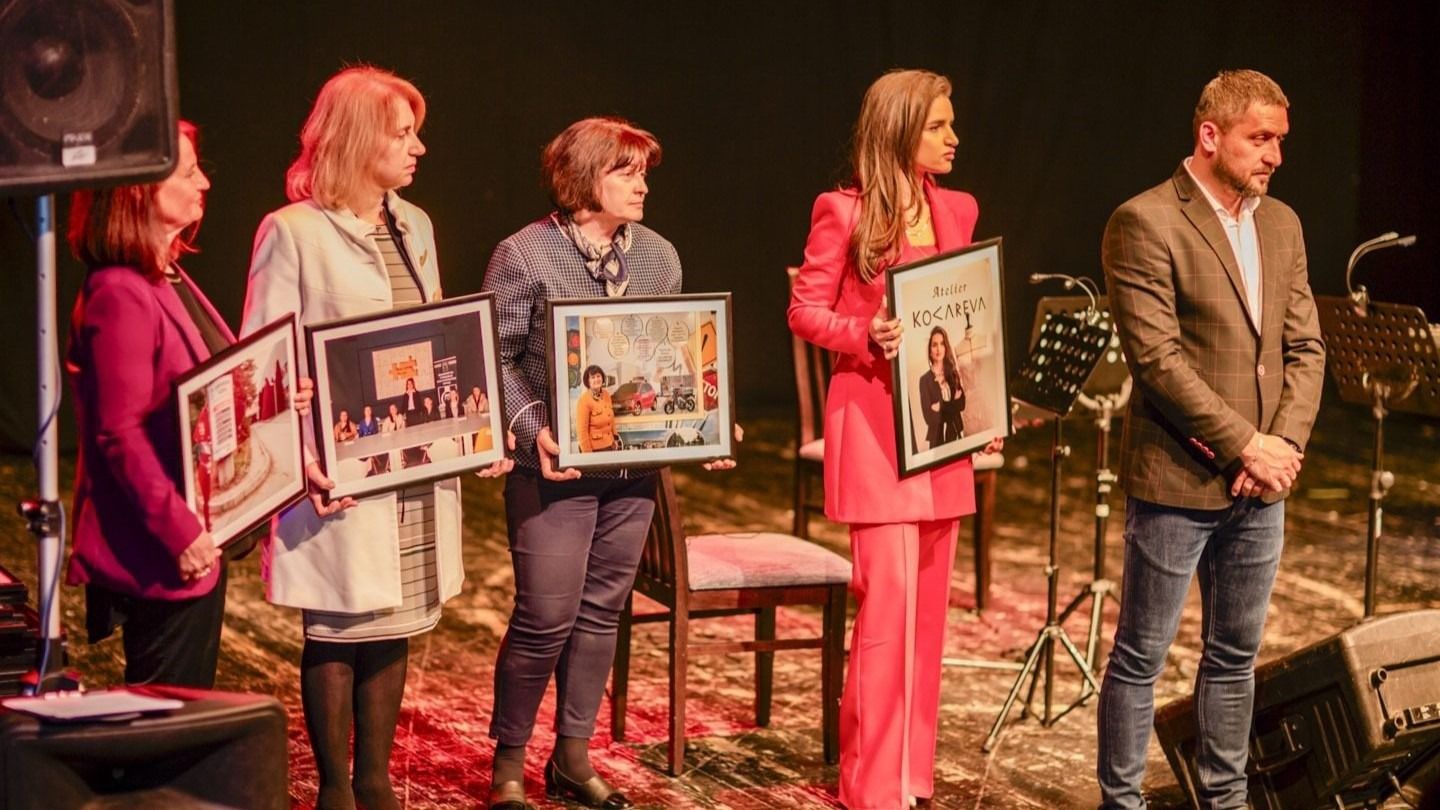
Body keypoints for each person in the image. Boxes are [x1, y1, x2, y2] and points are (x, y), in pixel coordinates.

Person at [240, 66, 511, 810]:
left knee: (396, 618)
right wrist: (299, 459)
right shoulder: (292, 232)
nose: (418, 148)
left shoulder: (413, 224)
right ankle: (335, 789)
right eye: (402, 134)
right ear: (360, 139)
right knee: (339, 623)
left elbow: (437, 339)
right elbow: (262, 363)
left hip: (411, 463)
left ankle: (376, 782)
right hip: (338, 469)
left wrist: (475, 427)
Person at [482, 116, 733, 810]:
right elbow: (496, 358)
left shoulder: (658, 256)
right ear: (584, 177)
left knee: (600, 615)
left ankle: (572, 756)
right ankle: (508, 763)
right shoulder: (524, 255)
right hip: (554, 472)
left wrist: (706, 424)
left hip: (631, 476)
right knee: (544, 617)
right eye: (627, 171)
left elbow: (674, 358)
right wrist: (533, 429)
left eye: (644, 171)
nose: (642, 184)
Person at [1097, 69, 1324, 808]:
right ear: (1209, 135)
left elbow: (1306, 348)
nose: (1275, 155)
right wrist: (1244, 446)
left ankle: (1226, 801)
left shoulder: (1282, 224)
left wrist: (1282, 447)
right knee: (1142, 656)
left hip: (1264, 486)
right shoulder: (1145, 220)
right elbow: (1158, 361)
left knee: (1235, 657)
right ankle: (1121, 802)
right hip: (1178, 478)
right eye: (1260, 139)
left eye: (1280, 141)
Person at [787, 69, 1002, 810]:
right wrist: (864, 333)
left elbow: (966, 318)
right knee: (887, 612)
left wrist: (982, 407)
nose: (953, 138)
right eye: (939, 125)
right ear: (901, 130)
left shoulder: (958, 209)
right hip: (876, 424)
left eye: (951, 124)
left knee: (929, 613)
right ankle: (871, 786)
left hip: (939, 431)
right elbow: (805, 310)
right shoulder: (843, 212)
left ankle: (911, 776)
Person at [65, 120, 313, 688]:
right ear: (138, 190)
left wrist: (275, 400)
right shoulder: (119, 290)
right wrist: (181, 532)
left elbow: (201, 396)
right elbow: (118, 433)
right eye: (188, 172)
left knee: (186, 705)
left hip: (198, 537)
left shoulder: (166, 276)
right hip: (167, 550)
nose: (203, 182)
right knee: (167, 712)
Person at [916, 326, 965, 449]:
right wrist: (953, 404)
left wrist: (940, 406)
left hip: (956, 432)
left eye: (942, 344)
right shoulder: (924, 380)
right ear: (929, 351)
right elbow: (928, 417)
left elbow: (962, 404)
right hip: (937, 439)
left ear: (946, 347)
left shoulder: (953, 373)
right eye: (934, 345)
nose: (938, 349)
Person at [575, 365, 616, 453]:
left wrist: (615, 438)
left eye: (598, 376)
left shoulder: (606, 394)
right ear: (588, 381)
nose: (596, 379)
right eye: (593, 377)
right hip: (595, 450)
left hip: (610, 445)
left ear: (602, 378)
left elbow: (611, 420)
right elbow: (582, 432)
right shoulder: (584, 400)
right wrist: (588, 454)